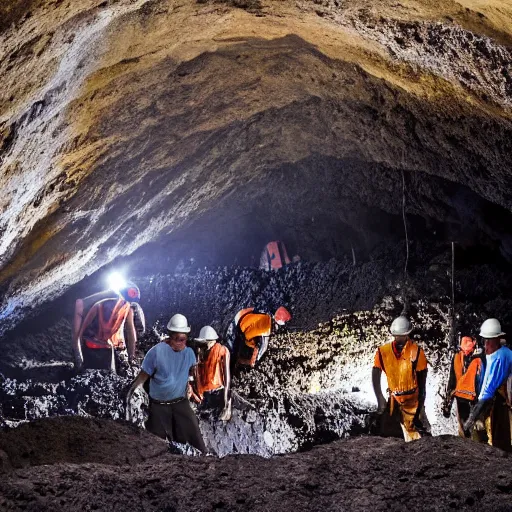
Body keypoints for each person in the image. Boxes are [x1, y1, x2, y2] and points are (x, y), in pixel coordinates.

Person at [126, 313, 206, 453]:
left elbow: (192, 376)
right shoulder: (156, 352)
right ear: (170, 336)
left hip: (180, 403)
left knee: (195, 439)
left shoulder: (189, 354)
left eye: (183, 339)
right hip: (159, 405)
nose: (180, 343)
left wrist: (193, 390)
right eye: (177, 339)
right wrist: (130, 393)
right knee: (155, 445)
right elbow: (142, 377)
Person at [372, 316, 429, 442]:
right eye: (397, 336)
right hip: (394, 399)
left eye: (402, 336)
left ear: (408, 334)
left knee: (415, 433)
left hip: (412, 400)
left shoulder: (416, 352)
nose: (399, 339)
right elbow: (376, 373)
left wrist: (420, 408)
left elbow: (422, 382)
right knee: (388, 434)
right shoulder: (383, 352)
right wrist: (380, 398)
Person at [463, 319, 512, 452]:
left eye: (488, 341)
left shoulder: (499, 357)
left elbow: (487, 392)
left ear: (497, 340)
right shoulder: (505, 353)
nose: (486, 344)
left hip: (500, 406)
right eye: (485, 340)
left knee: (499, 444)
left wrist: (471, 419)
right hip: (502, 404)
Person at [72, 283, 142, 372]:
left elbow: (130, 332)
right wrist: (79, 357)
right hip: (95, 346)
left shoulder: (127, 308)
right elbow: (79, 335)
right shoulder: (96, 305)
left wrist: (131, 358)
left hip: (112, 346)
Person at [442, 336, 485, 441]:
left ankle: (480, 446)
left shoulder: (479, 359)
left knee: (477, 428)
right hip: (462, 397)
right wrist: (448, 400)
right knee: (465, 428)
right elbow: (452, 379)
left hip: (475, 398)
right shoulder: (458, 357)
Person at [226, 306, 292, 368]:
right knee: (232, 359)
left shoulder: (265, 311)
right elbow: (260, 351)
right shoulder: (266, 332)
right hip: (238, 334)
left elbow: (251, 309)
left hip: (237, 319)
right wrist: (252, 361)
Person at [194, 326, 232, 421]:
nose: (203, 346)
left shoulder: (222, 351)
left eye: (205, 343)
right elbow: (197, 373)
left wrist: (226, 401)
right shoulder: (201, 352)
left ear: (211, 341)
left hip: (218, 391)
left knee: (216, 417)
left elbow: (227, 378)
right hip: (205, 393)